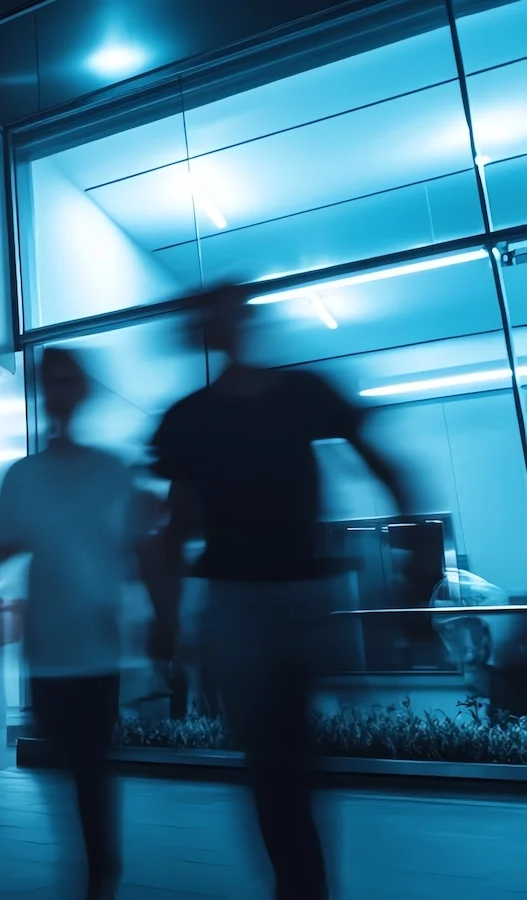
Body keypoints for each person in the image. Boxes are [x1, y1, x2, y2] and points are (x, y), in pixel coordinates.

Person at [149, 285, 415, 900]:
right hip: (252, 601)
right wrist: (168, 617)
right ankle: (301, 880)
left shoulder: (281, 398)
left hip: (285, 597)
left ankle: (300, 879)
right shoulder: (197, 416)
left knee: (280, 756)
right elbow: (177, 524)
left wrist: (411, 557)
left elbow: (176, 526)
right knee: (274, 759)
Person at [0, 347, 141, 900]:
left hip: (97, 646)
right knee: (69, 763)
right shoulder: (23, 477)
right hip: (49, 646)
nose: (58, 391)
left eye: (66, 380)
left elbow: (136, 552)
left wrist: (163, 618)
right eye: (49, 381)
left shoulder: (111, 472)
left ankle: (100, 868)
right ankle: (93, 861)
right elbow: (1, 551)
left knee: (90, 764)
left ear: (81, 391)